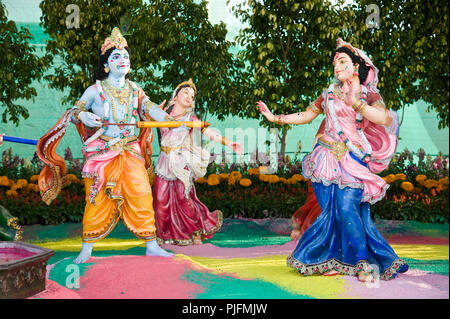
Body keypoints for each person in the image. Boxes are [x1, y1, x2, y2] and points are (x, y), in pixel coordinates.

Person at [258, 38, 408, 282]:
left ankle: (362, 262)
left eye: (342, 61)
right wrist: (276, 118)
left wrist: (357, 104)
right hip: (325, 159)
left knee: (349, 207)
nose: (337, 67)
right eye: (335, 63)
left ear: (357, 67)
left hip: (353, 159)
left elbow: (383, 118)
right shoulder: (328, 93)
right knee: (332, 211)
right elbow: (308, 114)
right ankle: (333, 258)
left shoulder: (369, 94)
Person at [37, 27, 174, 263]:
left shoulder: (135, 90)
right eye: (116, 57)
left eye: (126, 56)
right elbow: (74, 111)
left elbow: (150, 109)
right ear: (107, 64)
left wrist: (168, 119)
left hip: (130, 151)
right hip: (102, 152)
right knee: (95, 198)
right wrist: (83, 116)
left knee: (142, 193)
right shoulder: (95, 90)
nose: (123, 60)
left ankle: (151, 245)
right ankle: (87, 248)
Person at [153, 79, 243, 245]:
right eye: (185, 92)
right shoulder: (162, 113)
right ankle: (164, 235)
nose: (189, 96)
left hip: (180, 162)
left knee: (183, 197)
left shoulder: (190, 117)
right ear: (176, 94)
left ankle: (195, 231)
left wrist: (229, 142)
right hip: (164, 162)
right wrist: (152, 115)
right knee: (160, 200)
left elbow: (208, 132)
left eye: (192, 95)